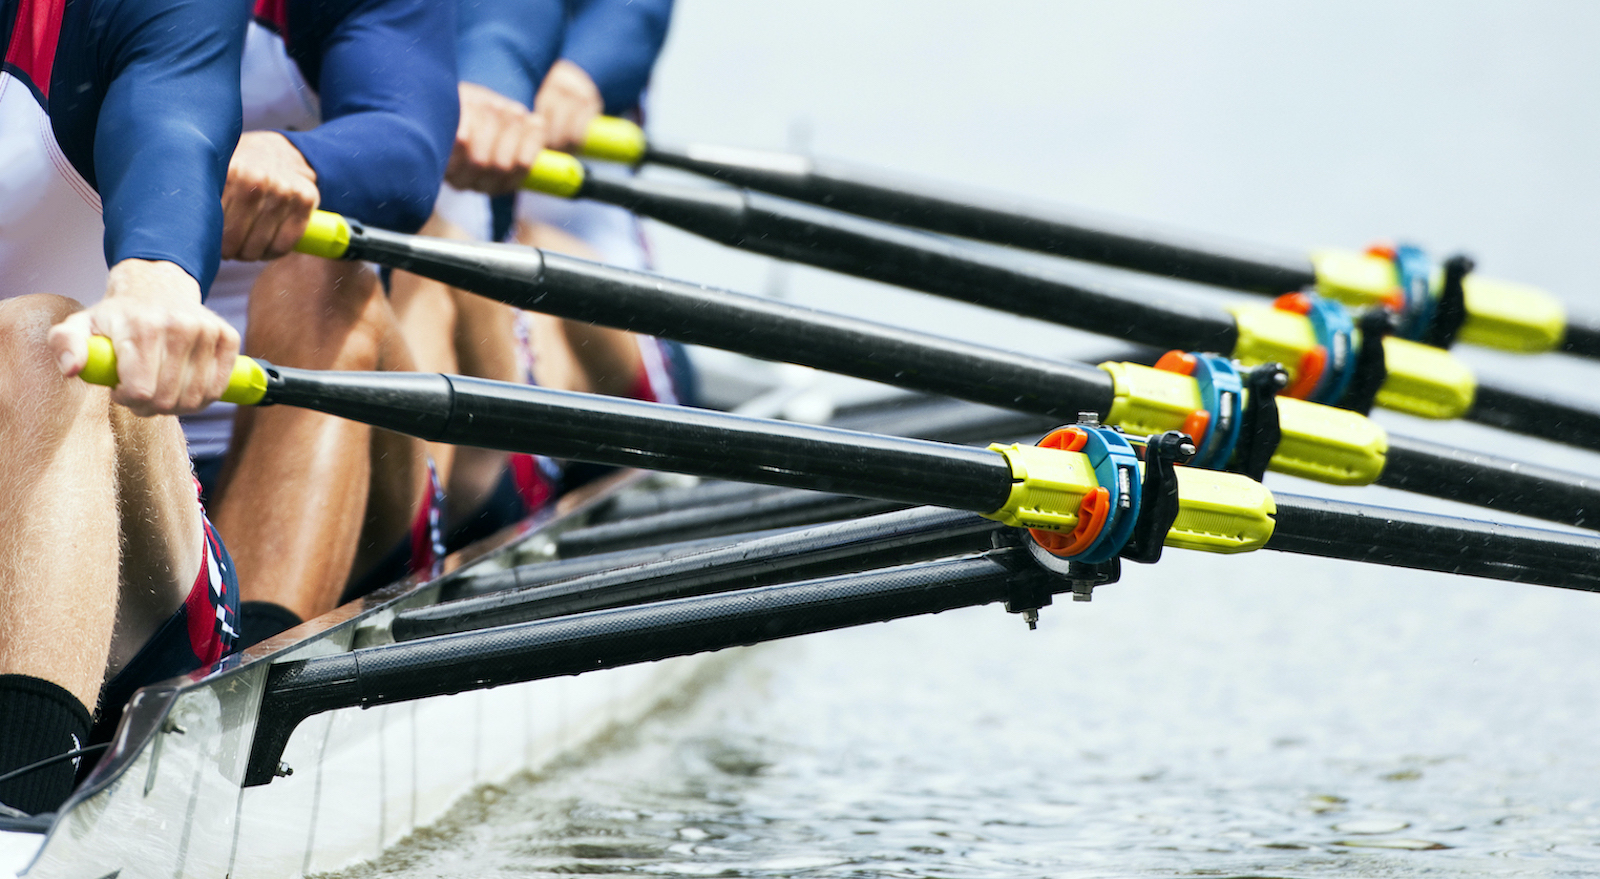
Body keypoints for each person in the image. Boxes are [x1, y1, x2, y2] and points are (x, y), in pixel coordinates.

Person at [0, 0, 250, 814]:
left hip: (133, 563)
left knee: (47, 340)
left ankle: (20, 800)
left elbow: (172, 122)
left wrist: (156, 273)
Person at [189, 0, 459, 648]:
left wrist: (299, 157)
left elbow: (408, 145)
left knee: (321, 279)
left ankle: (248, 678)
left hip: (293, 428)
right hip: (96, 422)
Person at [393, 0, 691, 550]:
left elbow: (637, 16)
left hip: (606, 310)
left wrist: (577, 81)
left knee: (514, 246)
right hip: (464, 289)